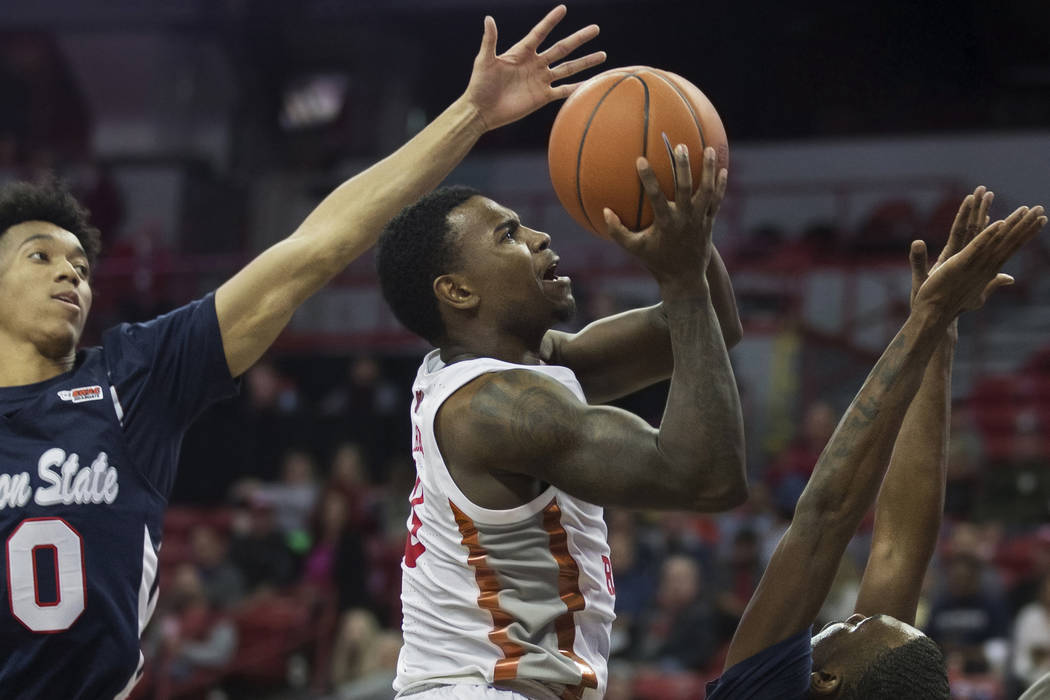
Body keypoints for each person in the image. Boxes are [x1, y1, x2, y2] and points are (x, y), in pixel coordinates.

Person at [0, 6, 605, 698]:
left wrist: (469, 114)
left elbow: (314, 247)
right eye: (40, 255)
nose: (71, 274)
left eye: (80, 263)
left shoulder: (131, 377)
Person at [376, 141, 747, 699]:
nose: (538, 238)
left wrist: (682, 230)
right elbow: (706, 477)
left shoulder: (531, 364)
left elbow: (711, 327)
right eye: (508, 235)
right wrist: (681, 278)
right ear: (458, 291)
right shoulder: (493, 407)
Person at [705, 189, 1047, 698]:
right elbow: (898, 548)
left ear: (826, 681)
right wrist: (939, 335)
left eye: (855, 626)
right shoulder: (861, 683)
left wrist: (927, 317)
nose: (855, 617)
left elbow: (825, 516)